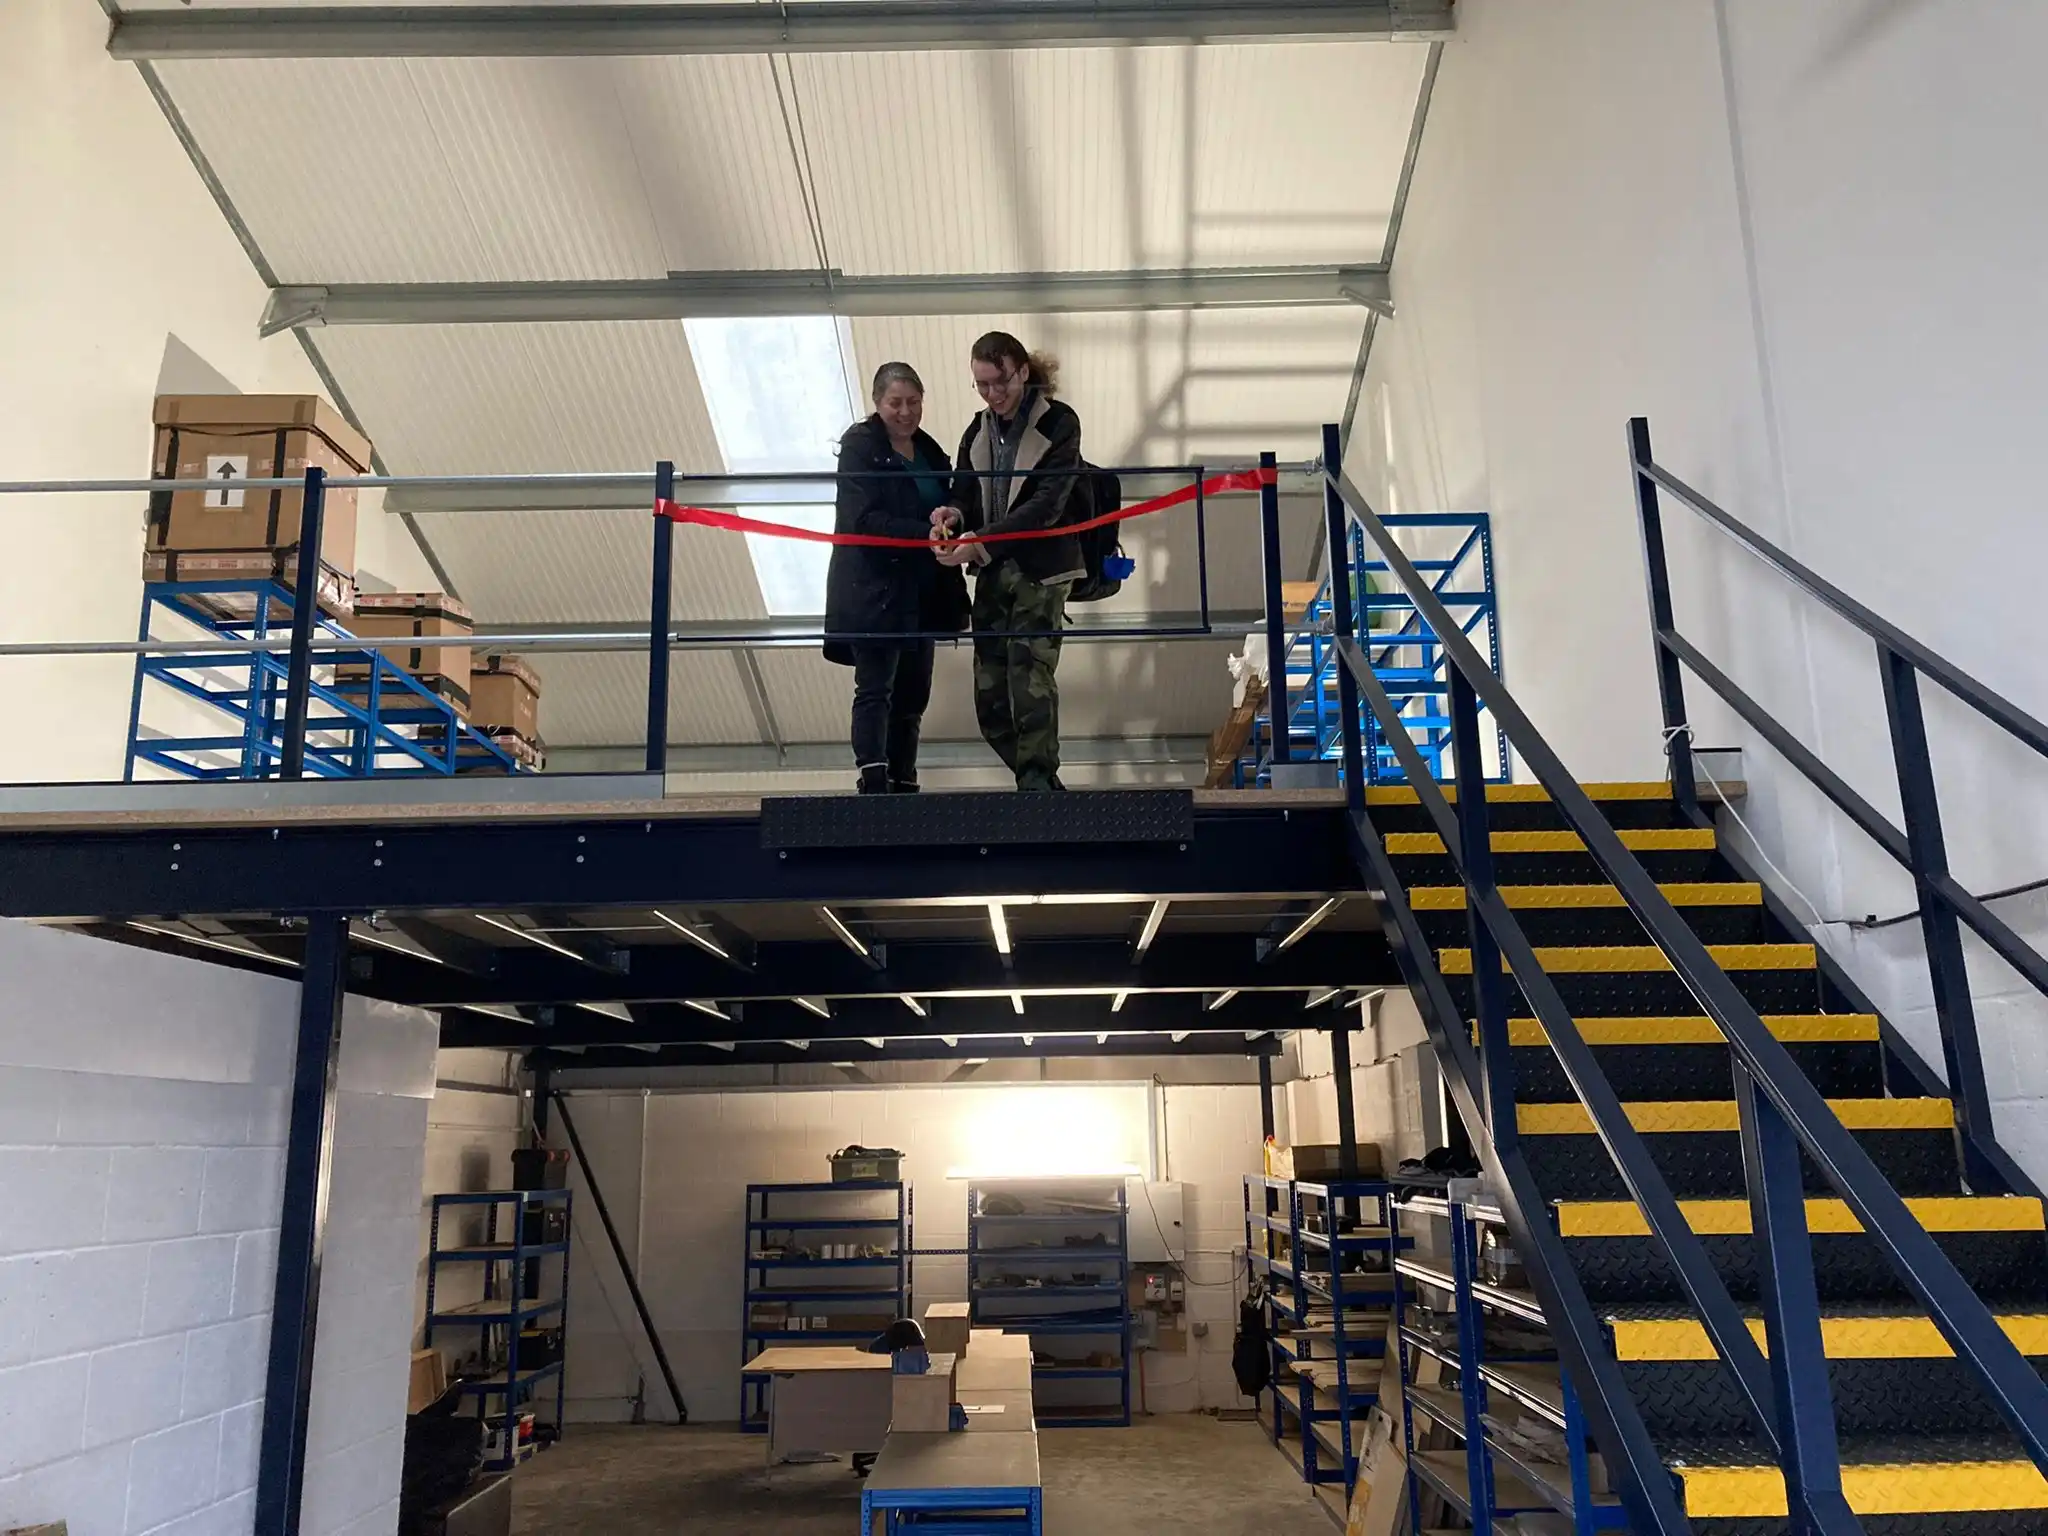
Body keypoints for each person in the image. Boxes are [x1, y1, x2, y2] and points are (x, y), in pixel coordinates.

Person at [932, 332, 1084, 792]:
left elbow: (1045, 507)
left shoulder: (1059, 423)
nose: (993, 394)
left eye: (1000, 382)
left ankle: (1037, 790)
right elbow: (962, 492)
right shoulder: (976, 430)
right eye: (982, 385)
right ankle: (1042, 786)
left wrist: (979, 541)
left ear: (1022, 371)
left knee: (1029, 677)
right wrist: (952, 517)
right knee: (991, 698)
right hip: (992, 570)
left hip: (1043, 569)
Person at [824, 362, 968, 794]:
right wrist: (918, 533)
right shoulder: (859, 447)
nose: (905, 412)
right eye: (895, 403)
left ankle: (904, 779)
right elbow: (860, 517)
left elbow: (956, 492)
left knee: (912, 694)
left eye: (913, 402)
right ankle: (873, 778)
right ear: (876, 403)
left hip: (922, 590)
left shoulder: (928, 449)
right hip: (874, 589)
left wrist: (951, 517)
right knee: (875, 687)